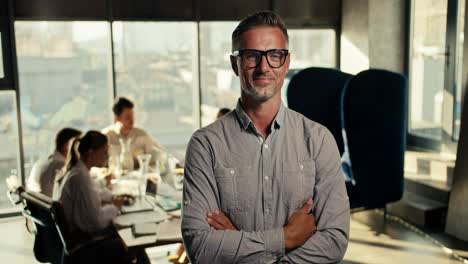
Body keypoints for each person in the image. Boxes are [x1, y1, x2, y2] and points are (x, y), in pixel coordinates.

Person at [181, 11, 350, 263]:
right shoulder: (205, 145)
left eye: (274, 56)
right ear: (234, 64)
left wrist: (240, 243)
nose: (264, 67)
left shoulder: (318, 140)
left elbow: (335, 240)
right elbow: (200, 246)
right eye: (251, 56)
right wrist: (286, 238)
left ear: (287, 62)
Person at [102, 97, 164, 167]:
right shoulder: (106, 136)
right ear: (117, 118)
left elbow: (160, 154)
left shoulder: (142, 135)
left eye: (132, 116)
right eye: (127, 117)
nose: (132, 121)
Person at [27, 127, 82, 197]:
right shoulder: (62, 166)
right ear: (67, 145)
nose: (82, 149)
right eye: (79, 144)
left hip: (41, 205)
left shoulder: (45, 161)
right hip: (51, 205)